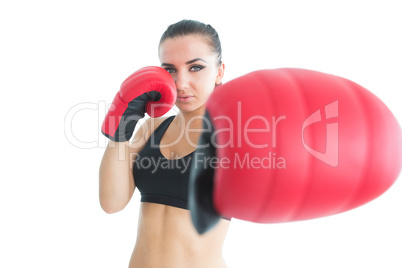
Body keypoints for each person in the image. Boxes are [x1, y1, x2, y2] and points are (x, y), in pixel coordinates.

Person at [99, 19, 230, 268]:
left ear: (219, 71)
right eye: (170, 69)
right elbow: (111, 202)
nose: (180, 84)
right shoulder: (152, 127)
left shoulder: (235, 135)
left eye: (195, 68)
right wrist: (121, 126)